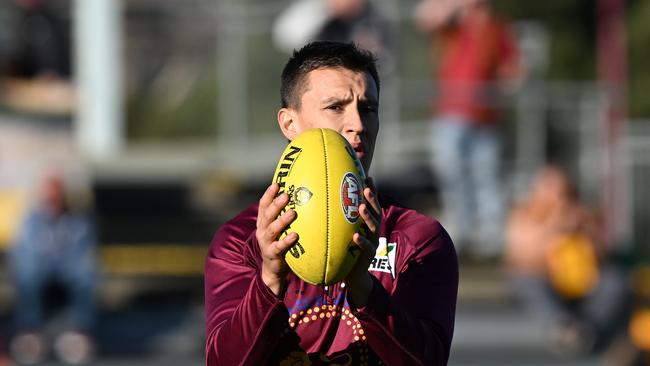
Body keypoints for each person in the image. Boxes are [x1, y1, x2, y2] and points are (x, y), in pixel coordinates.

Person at [204, 41, 458, 365]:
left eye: (368, 109)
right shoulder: (242, 239)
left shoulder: (417, 239)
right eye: (336, 107)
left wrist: (363, 288)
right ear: (289, 124)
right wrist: (269, 280)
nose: (358, 124)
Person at [415, 0, 522, 259]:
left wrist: (504, 87)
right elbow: (425, 17)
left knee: (487, 175)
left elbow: (514, 67)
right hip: (451, 114)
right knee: (452, 172)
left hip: (485, 116)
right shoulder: (453, 25)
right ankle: (460, 231)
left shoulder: (497, 28)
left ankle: (490, 237)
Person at [504, 166, 627, 355]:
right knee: (527, 281)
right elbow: (522, 257)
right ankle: (563, 328)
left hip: (584, 284)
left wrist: (587, 229)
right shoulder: (523, 216)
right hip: (548, 282)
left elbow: (604, 255)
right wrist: (554, 228)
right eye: (552, 191)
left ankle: (587, 330)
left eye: (564, 192)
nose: (558, 198)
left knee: (614, 282)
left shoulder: (583, 214)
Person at [8, 173, 96, 365]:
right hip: (40, 270)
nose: (52, 202)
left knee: (85, 275)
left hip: (67, 271)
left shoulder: (77, 221)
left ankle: (79, 331)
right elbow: (25, 253)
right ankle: (29, 331)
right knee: (27, 274)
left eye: (56, 197)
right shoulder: (31, 222)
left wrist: (69, 268)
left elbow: (81, 253)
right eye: (48, 197)